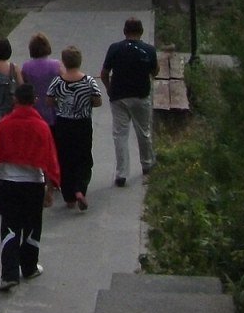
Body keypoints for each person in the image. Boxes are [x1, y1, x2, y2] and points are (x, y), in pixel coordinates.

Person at [0, 83, 61, 291]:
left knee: (9, 226)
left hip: (8, 183)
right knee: (32, 225)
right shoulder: (41, 127)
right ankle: (29, 267)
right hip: (34, 184)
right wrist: (50, 189)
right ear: (34, 101)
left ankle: (9, 274)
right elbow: (51, 160)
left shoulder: (4, 124)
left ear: (15, 100)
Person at [100, 17, 159, 186]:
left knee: (120, 135)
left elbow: (104, 73)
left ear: (125, 31)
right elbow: (154, 72)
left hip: (119, 96)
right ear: (141, 32)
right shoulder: (148, 49)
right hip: (141, 96)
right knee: (144, 131)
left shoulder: (114, 48)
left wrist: (109, 88)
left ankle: (121, 173)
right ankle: (147, 164)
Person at [45, 45, 103, 209]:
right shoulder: (89, 80)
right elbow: (98, 101)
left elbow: (48, 101)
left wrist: (60, 103)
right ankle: (80, 190)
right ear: (80, 61)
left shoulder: (57, 81)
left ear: (64, 61)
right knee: (83, 158)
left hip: (63, 124)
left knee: (65, 159)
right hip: (83, 124)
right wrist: (86, 103)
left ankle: (69, 196)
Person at [20, 33, 63, 127]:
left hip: (35, 110)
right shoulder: (56, 65)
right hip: (53, 109)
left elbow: (23, 85)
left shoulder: (26, 67)